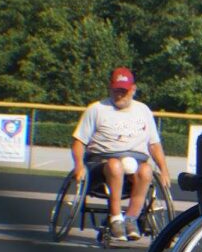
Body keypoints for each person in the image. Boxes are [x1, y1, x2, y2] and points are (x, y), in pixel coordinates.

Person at [71, 67, 170, 241]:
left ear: (133, 89)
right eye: (116, 90)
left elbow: (154, 144)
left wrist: (164, 169)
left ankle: (131, 219)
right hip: (101, 164)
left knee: (146, 170)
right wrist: (78, 165)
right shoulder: (96, 109)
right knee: (115, 165)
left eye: (123, 91)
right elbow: (79, 141)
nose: (119, 95)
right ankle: (116, 218)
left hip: (136, 164)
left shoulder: (143, 110)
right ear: (110, 88)